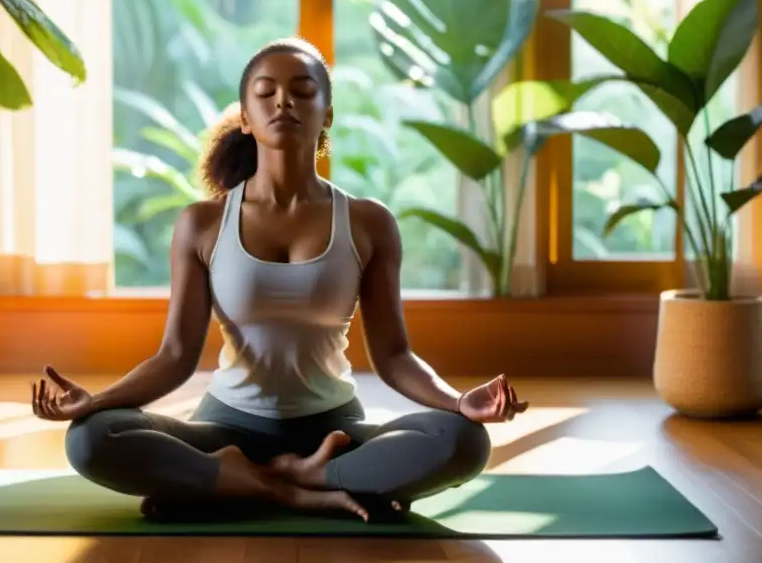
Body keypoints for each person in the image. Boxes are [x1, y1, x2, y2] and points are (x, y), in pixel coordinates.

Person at [31, 38, 529, 522]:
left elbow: (394, 356)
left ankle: (239, 485)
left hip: (334, 433)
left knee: (463, 441)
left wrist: (458, 402)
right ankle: (291, 486)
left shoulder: (368, 222)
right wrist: (96, 402)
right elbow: (175, 357)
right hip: (225, 430)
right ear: (245, 117)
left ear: (327, 112)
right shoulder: (203, 223)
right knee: (91, 437)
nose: (284, 101)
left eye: (303, 90)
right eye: (266, 92)